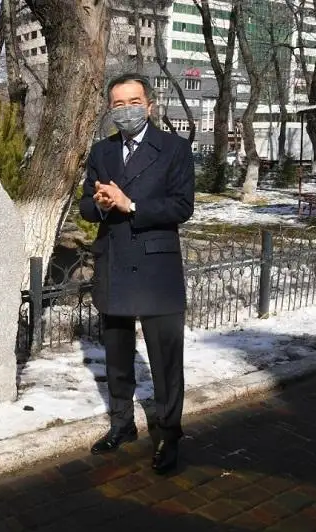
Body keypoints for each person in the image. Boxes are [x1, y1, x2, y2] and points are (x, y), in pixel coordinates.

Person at [79, 73, 195, 475]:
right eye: (117, 104)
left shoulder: (174, 148)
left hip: (156, 268)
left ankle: (169, 435)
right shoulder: (102, 150)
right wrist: (100, 204)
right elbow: (86, 207)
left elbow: (182, 207)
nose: (125, 110)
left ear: (149, 105)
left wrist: (131, 205)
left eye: (133, 102)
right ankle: (122, 425)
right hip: (114, 263)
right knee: (117, 357)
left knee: (165, 362)